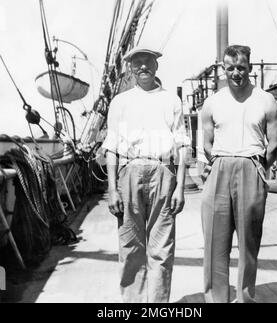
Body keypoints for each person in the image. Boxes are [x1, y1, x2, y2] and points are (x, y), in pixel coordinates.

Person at [101, 46, 190, 303]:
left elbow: (183, 145)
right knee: (130, 247)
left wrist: (180, 187)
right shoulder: (120, 102)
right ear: (130, 68)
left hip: (163, 173)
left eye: (148, 61)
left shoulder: (171, 100)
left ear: (156, 66)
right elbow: (112, 147)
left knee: (161, 249)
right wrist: (112, 189)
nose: (143, 67)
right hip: (129, 172)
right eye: (137, 62)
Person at [201, 45, 277, 303]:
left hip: (252, 164)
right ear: (223, 69)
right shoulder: (212, 101)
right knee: (215, 243)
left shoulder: (265, 99)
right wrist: (218, 163)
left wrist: (259, 169)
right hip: (220, 166)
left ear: (250, 68)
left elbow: (275, 143)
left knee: (248, 243)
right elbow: (206, 142)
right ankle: (217, 299)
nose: (236, 73)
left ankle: (245, 298)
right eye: (230, 68)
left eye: (242, 68)